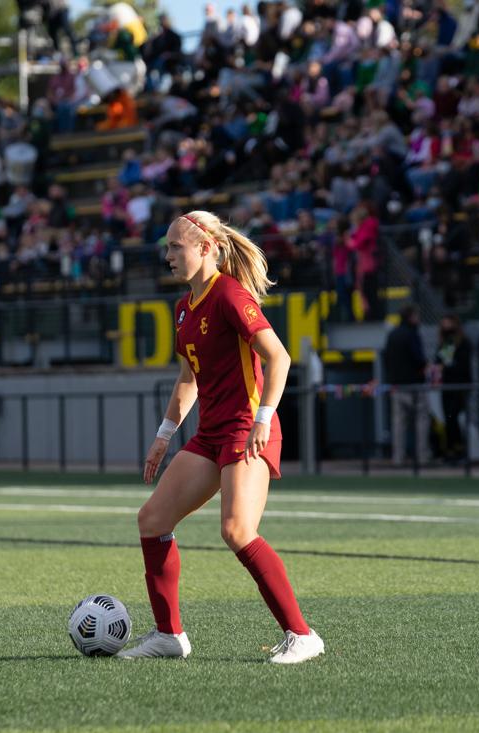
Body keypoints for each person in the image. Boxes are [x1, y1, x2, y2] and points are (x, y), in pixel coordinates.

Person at [119, 210, 323, 664]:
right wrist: (163, 435)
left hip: (246, 429)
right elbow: (188, 378)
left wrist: (264, 419)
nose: (168, 255)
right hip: (211, 434)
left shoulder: (229, 295)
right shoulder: (183, 309)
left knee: (236, 530)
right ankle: (169, 635)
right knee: (151, 520)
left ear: (207, 247)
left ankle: (302, 635)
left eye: (177, 246)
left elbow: (280, 358)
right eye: (168, 247)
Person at [384, 305, 429, 465]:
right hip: (413, 383)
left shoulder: (393, 334)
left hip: (397, 384)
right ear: (410, 317)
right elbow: (418, 358)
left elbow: (386, 358)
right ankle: (422, 456)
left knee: (399, 423)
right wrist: (424, 368)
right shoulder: (412, 334)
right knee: (421, 420)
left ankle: (398, 457)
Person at [435, 314, 472, 462]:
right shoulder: (447, 342)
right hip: (447, 386)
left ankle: (458, 449)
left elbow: (459, 365)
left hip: (459, 385)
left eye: (448, 324)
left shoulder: (463, 342)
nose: (446, 327)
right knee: (449, 418)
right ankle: (451, 450)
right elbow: (441, 361)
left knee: (454, 417)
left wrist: (447, 366)